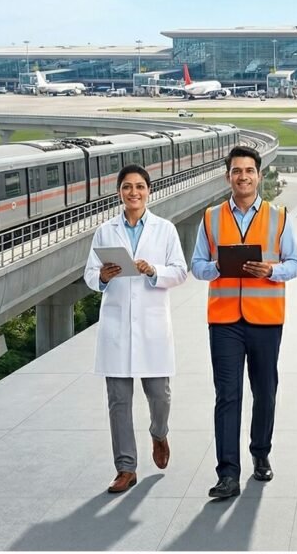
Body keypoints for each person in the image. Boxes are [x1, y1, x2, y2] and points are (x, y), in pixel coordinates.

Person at [191, 145, 297, 500]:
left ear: (258, 175)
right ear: (228, 177)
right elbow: (197, 265)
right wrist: (217, 268)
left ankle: (260, 453)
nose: (243, 176)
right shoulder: (210, 218)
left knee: (265, 392)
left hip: (265, 319)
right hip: (224, 320)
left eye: (249, 170)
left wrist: (271, 270)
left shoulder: (278, 216)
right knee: (228, 395)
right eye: (236, 171)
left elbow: (296, 264)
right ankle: (227, 474)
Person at [84, 164, 188, 494]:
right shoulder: (105, 231)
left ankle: (159, 433)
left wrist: (154, 271)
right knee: (119, 401)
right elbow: (89, 275)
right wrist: (103, 276)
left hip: (152, 326)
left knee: (160, 395)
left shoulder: (165, 229)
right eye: (127, 187)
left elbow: (181, 272)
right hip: (116, 326)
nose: (134, 192)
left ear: (148, 191)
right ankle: (125, 467)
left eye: (140, 187)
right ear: (119, 192)